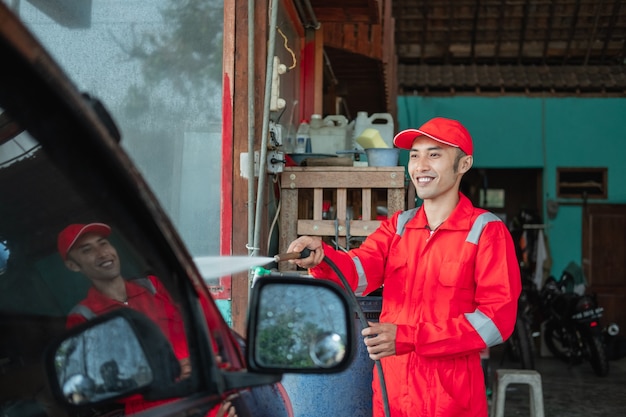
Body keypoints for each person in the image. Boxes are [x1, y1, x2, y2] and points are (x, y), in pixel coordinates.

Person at [287, 117, 521, 417]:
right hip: (392, 393)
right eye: (414, 155)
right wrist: (324, 258)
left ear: (463, 164)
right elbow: (359, 271)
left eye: (434, 154)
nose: (420, 166)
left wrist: (410, 337)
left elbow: (495, 321)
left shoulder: (486, 231)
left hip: (450, 398)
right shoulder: (399, 226)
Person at [58, 223, 237, 417]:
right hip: (153, 409)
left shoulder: (152, 286)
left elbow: (197, 324)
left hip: (205, 396)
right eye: (87, 250)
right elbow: (97, 384)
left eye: (103, 243)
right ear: (73, 265)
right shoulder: (83, 317)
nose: (102, 253)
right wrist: (169, 373)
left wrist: (203, 360)